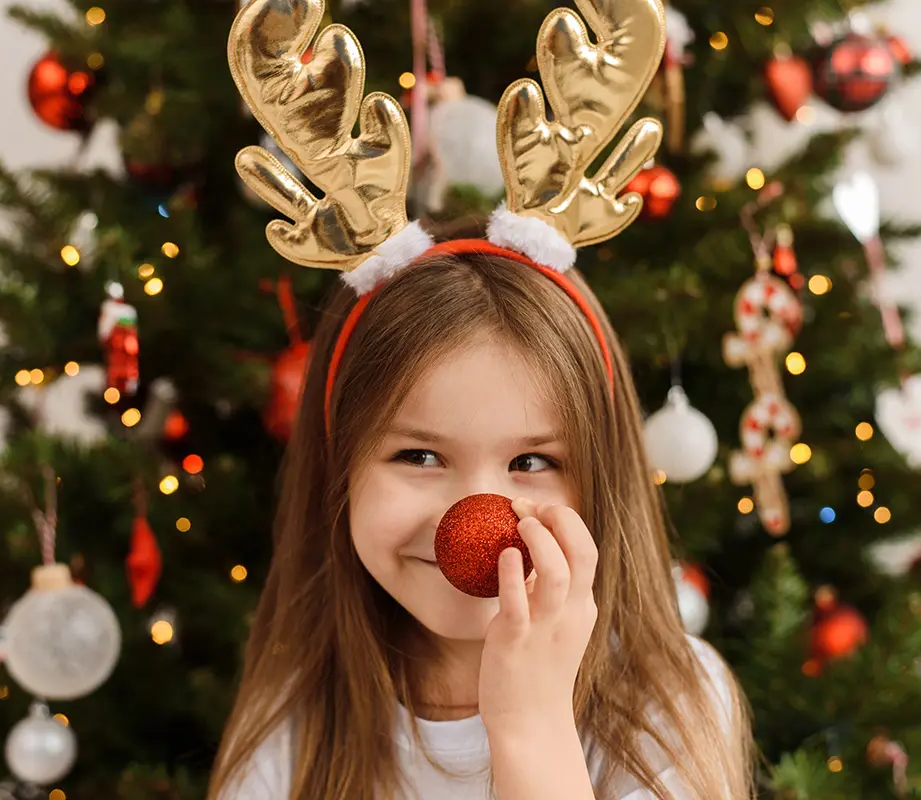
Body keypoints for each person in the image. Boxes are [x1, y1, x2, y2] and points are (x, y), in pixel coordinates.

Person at [210, 0, 754, 797]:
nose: (476, 518)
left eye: (532, 462)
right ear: (340, 467)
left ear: (601, 478)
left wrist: (530, 726)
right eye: (418, 455)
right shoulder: (291, 724)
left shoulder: (673, 700)